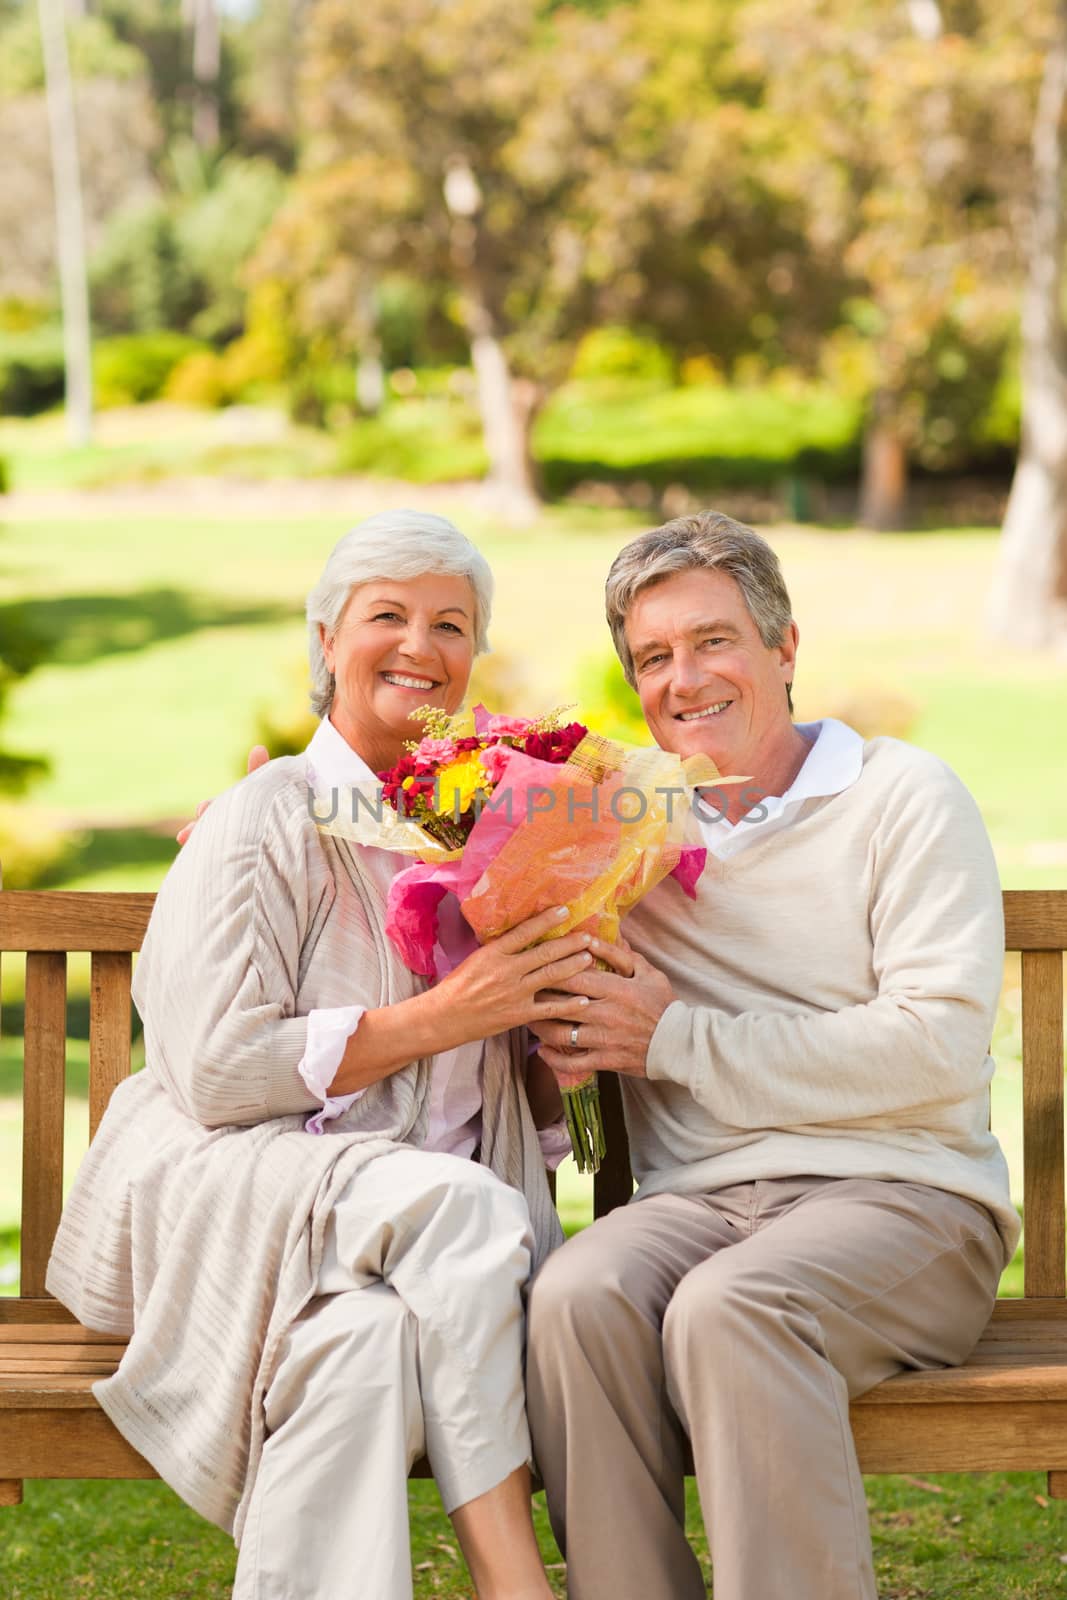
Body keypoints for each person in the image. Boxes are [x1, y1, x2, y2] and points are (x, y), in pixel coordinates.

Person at [47, 509, 609, 1600]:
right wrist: (449, 1012)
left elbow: (526, 1108)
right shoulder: (267, 815)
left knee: (358, 1354)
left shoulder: (486, 833)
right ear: (322, 641)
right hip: (260, 1207)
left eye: (450, 623)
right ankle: (514, 1578)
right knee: (466, 1209)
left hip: (393, 1276)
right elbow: (213, 1069)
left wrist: (559, 1049)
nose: (419, 644)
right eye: (384, 615)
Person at [526, 509, 1018, 1600]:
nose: (682, 677)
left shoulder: (902, 797)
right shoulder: (627, 831)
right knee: (574, 1294)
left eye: (711, 641)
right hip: (703, 1203)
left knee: (728, 1307)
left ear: (782, 649)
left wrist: (676, 1039)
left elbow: (935, 1048)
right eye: (651, 657)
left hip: (907, 1201)